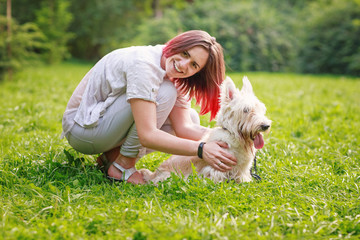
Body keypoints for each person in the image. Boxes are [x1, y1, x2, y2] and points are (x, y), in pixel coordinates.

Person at [61, 30, 237, 184]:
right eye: (185, 53)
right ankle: (122, 167)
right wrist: (202, 149)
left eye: (194, 65)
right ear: (177, 43)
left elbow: (185, 127)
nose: (184, 65)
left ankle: (110, 157)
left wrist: (232, 140)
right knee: (166, 93)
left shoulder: (174, 72)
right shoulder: (144, 65)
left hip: (103, 127)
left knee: (190, 116)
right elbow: (147, 135)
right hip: (82, 130)